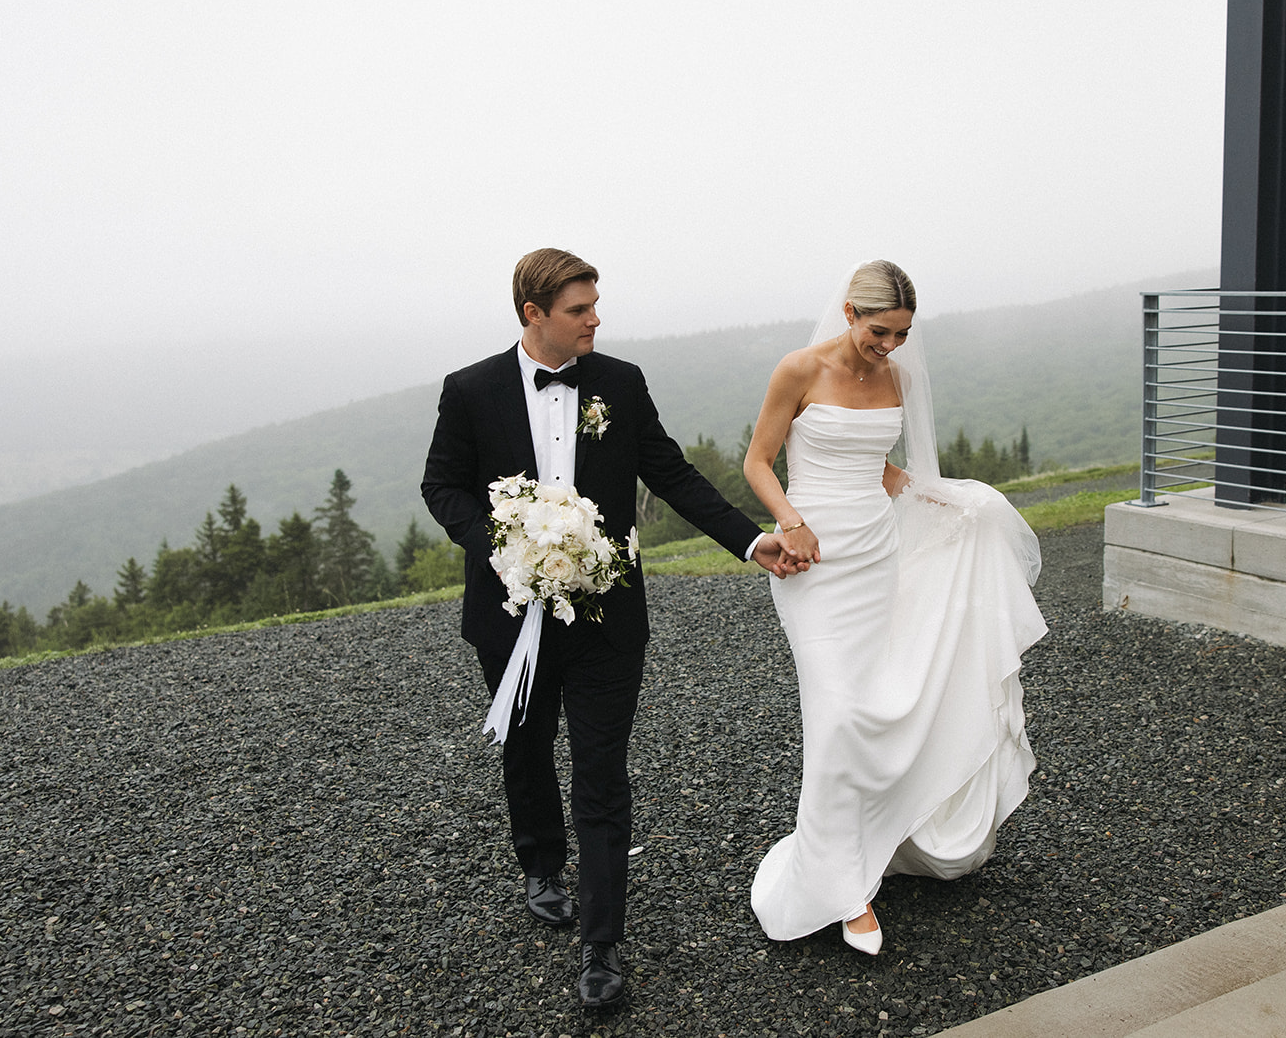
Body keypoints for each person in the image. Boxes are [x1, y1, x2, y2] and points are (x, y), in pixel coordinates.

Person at [421, 248, 805, 1009]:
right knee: (527, 747)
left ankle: (602, 945)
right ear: (534, 315)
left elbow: (671, 472)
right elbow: (441, 486)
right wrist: (509, 548)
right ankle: (539, 863)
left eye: (596, 305)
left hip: (608, 621)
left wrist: (752, 539)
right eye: (579, 309)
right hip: (511, 615)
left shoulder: (621, 384)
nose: (596, 318)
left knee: (601, 770)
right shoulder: (470, 390)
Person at [742, 260, 1046, 954]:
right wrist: (789, 519)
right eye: (880, 331)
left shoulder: (898, 378)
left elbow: (879, 464)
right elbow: (758, 459)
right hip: (812, 564)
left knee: (871, 707)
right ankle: (844, 893)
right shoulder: (799, 369)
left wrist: (950, 501)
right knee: (838, 713)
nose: (891, 345)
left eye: (904, 333)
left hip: (876, 557)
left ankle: (867, 844)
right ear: (849, 312)